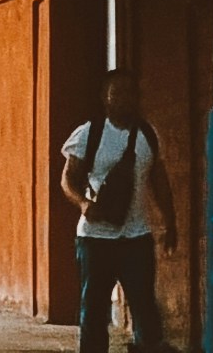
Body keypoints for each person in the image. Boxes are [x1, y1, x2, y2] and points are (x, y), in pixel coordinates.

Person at [60, 65, 176, 353]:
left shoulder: (148, 135)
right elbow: (68, 178)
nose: (125, 98)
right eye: (117, 92)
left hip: (137, 236)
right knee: (94, 311)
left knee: (145, 308)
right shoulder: (90, 133)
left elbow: (158, 180)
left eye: (130, 92)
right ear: (105, 97)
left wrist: (170, 222)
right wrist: (84, 204)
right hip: (96, 238)